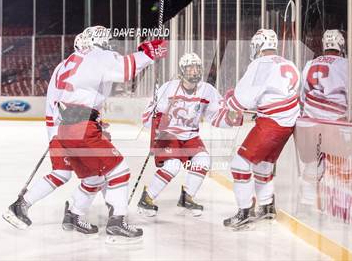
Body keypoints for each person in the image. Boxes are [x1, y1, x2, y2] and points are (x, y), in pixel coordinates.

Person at [54, 25, 168, 243]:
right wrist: (148, 53)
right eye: (108, 40)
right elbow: (126, 70)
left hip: (67, 127)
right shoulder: (98, 55)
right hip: (82, 126)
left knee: (94, 176)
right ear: (102, 41)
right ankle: (118, 222)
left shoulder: (77, 59)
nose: (110, 44)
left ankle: (74, 215)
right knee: (119, 170)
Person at [137, 52, 243, 217]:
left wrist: (230, 117)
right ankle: (147, 198)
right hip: (169, 135)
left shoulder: (207, 90)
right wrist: (160, 112)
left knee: (203, 161)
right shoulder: (168, 88)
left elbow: (215, 116)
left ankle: (187, 197)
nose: (194, 71)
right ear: (181, 71)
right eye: (190, 67)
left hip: (191, 136)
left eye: (197, 67)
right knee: (172, 166)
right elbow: (146, 119)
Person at [2, 33, 89, 230]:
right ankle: (25, 207)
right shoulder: (82, 67)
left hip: (60, 126)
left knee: (71, 173)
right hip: (68, 128)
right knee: (94, 171)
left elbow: (56, 99)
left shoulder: (65, 65)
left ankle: (71, 208)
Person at [223, 29, 300, 230]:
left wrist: (231, 99)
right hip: (287, 125)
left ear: (258, 45)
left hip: (271, 124)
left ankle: (245, 211)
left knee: (240, 164)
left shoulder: (259, 64)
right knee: (263, 166)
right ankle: (266, 206)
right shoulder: (288, 63)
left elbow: (244, 99)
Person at [300, 29, 352, 121]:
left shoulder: (310, 63)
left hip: (311, 116)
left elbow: (302, 95)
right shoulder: (346, 64)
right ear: (341, 45)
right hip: (336, 118)